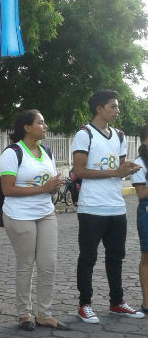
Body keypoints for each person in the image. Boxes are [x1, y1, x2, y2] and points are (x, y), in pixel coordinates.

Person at [71, 89, 144, 323]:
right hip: (92, 207)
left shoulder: (119, 135)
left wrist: (128, 168)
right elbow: (79, 171)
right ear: (99, 108)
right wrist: (116, 171)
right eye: (113, 106)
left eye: (117, 106)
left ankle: (117, 302)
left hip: (116, 207)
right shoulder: (85, 134)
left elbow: (119, 167)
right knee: (88, 257)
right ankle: (85, 305)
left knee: (116, 257)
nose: (117, 110)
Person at [0, 110, 69, 331]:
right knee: (26, 265)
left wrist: (55, 183)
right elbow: (8, 189)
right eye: (41, 122)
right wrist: (43, 188)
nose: (45, 126)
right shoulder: (12, 153)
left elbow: (48, 181)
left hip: (46, 212)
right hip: (20, 215)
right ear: (27, 127)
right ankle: (24, 314)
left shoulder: (46, 150)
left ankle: (45, 314)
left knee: (48, 264)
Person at [131, 124, 148, 314]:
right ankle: (146, 302)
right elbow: (141, 193)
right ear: (144, 140)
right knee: (147, 257)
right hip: (146, 210)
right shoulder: (140, 163)